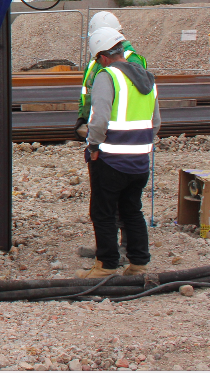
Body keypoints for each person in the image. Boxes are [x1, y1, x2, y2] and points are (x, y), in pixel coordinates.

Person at [76, 27, 160, 278]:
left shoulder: (108, 76)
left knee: (103, 213)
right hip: (140, 161)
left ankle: (106, 266)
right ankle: (138, 265)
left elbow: (99, 119)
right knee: (132, 211)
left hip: (110, 160)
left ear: (103, 56)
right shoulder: (146, 78)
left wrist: (93, 146)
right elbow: (156, 122)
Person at [75, 12, 147, 139]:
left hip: (118, 131)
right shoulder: (94, 62)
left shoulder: (132, 60)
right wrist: (83, 117)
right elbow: (86, 92)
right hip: (101, 128)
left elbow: (136, 99)